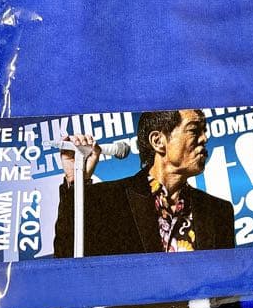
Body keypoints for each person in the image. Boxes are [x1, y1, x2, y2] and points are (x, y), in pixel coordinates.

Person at [54, 109, 235, 257]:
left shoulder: (219, 211)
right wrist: (76, 181)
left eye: (204, 131)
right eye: (194, 130)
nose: (204, 138)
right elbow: (66, 260)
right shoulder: (107, 200)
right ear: (158, 141)